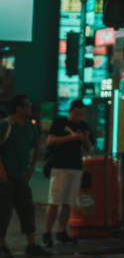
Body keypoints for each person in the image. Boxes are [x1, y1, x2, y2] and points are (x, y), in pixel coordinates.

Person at [0, 95, 50, 258]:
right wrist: (1, 171)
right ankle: (2, 245)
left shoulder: (29, 126)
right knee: (4, 212)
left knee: (27, 209)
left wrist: (32, 166)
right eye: (27, 105)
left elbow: (37, 145)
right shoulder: (6, 125)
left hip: (20, 177)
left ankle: (31, 244)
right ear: (18, 109)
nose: (30, 107)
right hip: (5, 177)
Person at [43, 99, 91, 247]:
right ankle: (47, 233)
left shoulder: (83, 126)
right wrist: (70, 137)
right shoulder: (59, 123)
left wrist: (85, 139)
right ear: (70, 111)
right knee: (54, 201)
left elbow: (88, 148)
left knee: (68, 202)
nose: (79, 117)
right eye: (76, 114)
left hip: (76, 166)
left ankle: (62, 231)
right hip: (60, 166)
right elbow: (50, 141)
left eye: (81, 114)